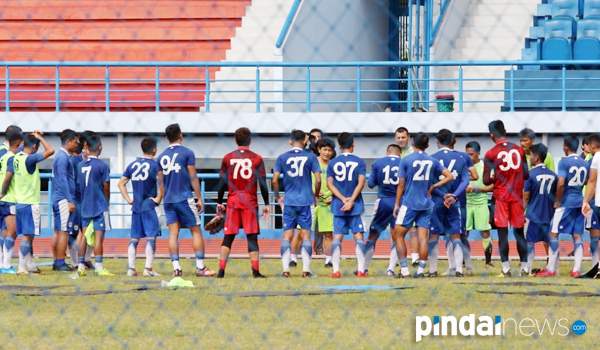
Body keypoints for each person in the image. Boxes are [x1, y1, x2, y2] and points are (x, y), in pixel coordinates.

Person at [392, 133, 453, 278]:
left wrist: (396, 204)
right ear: (427, 145)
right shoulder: (432, 160)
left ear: (412, 143)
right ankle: (420, 270)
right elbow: (449, 176)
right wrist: (434, 186)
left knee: (398, 234)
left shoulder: (406, 160)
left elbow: (401, 185)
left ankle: (405, 270)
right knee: (423, 237)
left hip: (409, 202)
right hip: (426, 204)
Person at [158, 124, 215, 277]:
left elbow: (161, 182)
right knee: (196, 231)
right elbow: (193, 177)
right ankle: (200, 267)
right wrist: (200, 198)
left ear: (166, 138)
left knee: (172, 234)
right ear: (181, 135)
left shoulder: (161, 156)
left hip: (168, 199)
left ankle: (176, 268)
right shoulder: (187, 153)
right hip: (184, 197)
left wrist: (163, 198)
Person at [216, 127, 270, 278]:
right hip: (249, 201)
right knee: (251, 236)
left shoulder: (228, 157)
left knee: (228, 237)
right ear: (250, 140)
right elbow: (263, 183)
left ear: (235, 140)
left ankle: (221, 271)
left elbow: (222, 182)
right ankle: (255, 271)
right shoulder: (257, 158)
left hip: (233, 200)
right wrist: (267, 203)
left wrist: (220, 201)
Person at [537, 135, 588, 278]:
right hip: (580, 201)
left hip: (566, 202)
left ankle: (550, 268)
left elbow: (560, 183)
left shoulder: (564, 163)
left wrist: (558, 201)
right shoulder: (585, 164)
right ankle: (576, 269)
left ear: (565, 147)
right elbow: (588, 182)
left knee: (553, 233)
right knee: (577, 235)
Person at [483, 120, 529, 277]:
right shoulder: (519, 150)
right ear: (506, 131)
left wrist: (496, 177)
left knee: (502, 233)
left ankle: (506, 269)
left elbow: (485, 181)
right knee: (519, 233)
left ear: (491, 134)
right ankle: (525, 269)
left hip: (501, 197)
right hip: (516, 195)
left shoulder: (490, 153)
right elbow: (526, 174)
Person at [273, 130, 321, 277]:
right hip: (306, 200)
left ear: (290, 141)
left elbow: (274, 180)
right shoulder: (311, 157)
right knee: (306, 235)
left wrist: (278, 197)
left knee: (287, 235)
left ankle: (285, 270)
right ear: (304, 141)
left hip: (289, 201)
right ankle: (306, 270)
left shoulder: (282, 157)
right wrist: (316, 195)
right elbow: (318, 180)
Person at [118, 137, 163, 277]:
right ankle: (148, 269)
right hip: (150, 206)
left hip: (136, 206)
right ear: (154, 149)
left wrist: (129, 200)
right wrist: (158, 199)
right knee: (151, 237)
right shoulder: (155, 166)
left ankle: (131, 269)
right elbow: (162, 184)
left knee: (134, 239)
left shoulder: (132, 165)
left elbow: (120, 183)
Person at [428, 129, 470, 277]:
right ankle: (459, 269)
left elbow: (430, 182)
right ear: (453, 141)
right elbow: (466, 180)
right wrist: (454, 196)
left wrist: (443, 195)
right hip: (455, 202)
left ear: (437, 141)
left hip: (437, 201)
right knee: (456, 235)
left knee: (433, 235)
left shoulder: (431, 158)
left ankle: (432, 270)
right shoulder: (461, 158)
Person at [326, 132, 367, 278]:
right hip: (356, 205)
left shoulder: (332, 162)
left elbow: (329, 184)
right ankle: (361, 270)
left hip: (338, 205)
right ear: (353, 144)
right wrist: (351, 200)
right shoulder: (360, 162)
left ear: (338, 146)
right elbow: (361, 182)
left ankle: (335, 270)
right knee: (358, 236)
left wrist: (343, 199)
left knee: (337, 237)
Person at [13, 131, 54, 274]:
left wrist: (31, 135)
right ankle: (22, 268)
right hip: (29, 202)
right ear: (35, 145)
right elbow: (50, 151)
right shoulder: (29, 160)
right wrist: (40, 137)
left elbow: (23, 145)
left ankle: (31, 265)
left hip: (19, 202)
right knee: (28, 236)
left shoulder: (17, 156)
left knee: (27, 235)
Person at [76, 134, 113, 276]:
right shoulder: (102, 165)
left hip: (85, 203)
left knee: (84, 235)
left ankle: (80, 265)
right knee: (98, 237)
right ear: (99, 147)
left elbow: (79, 185)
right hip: (99, 204)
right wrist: (107, 201)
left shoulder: (80, 165)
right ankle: (98, 266)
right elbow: (106, 186)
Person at [441, 134, 478, 276]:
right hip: (459, 199)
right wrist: (462, 177)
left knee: (449, 235)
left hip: (443, 198)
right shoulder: (463, 157)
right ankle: (467, 267)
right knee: (461, 235)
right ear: (454, 141)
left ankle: (452, 267)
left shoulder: (436, 156)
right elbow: (475, 176)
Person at [363, 144, 401, 276]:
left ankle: (364, 268)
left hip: (383, 202)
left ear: (387, 152)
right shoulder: (404, 162)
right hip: (399, 203)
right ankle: (391, 269)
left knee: (373, 235)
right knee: (398, 237)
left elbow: (371, 183)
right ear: (400, 154)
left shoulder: (378, 162)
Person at [523, 144, 557, 275]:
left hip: (533, 214)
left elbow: (526, 197)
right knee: (551, 241)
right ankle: (553, 268)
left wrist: (521, 212)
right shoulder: (554, 175)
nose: (529, 158)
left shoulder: (530, 175)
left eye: (530, 155)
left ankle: (528, 268)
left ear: (536, 158)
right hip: (549, 215)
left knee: (530, 242)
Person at [391, 127, 420, 269]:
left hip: (411, 196)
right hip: (395, 195)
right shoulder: (392, 153)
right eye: (398, 138)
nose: (401, 140)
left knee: (413, 230)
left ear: (408, 137)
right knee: (395, 230)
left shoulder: (413, 153)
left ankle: (415, 258)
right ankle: (395, 258)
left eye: (403, 137)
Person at [51, 129, 79, 272]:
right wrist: (69, 200)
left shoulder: (61, 156)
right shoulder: (63, 157)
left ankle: (57, 261)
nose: (76, 144)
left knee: (58, 231)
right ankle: (60, 262)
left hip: (58, 197)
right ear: (68, 141)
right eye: (75, 141)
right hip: (63, 198)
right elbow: (62, 179)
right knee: (64, 231)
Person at [465, 141, 494, 268]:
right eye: (467, 154)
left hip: (481, 203)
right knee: (463, 233)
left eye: (471, 154)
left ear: (478, 153)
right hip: (466, 203)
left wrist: (479, 189)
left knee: (485, 232)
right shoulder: (463, 167)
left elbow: (493, 185)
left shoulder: (485, 167)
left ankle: (488, 261)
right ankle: (463, 261)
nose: (469, 157)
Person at [0, 127, 23, 274]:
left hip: (4, 200)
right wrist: (3, 192)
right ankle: (6, 266)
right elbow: (8, 177)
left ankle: (2, 263)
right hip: (9, 199)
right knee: (12, 232)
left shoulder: (2, 156)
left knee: (5, 231)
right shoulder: (10, 157)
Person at [312, 139, 335, 267]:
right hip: (312, 202)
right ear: (319, 150)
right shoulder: (312, 163)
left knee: (328, 234)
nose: (327, 152)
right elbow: (304, 180)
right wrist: (313, 192)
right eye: (324, 149)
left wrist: (333, 196)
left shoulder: (334, 165)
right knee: (301, 232)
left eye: (329, 150)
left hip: (327, 204)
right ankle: (293, 259)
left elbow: (339, 184)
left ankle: (329, 260)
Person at [582, 133, 600, 277]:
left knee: (595, 236)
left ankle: (596, 266)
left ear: (592, 145)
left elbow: (591, 181)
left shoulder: (596, 158)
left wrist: (586, 201)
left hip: (597, 203)